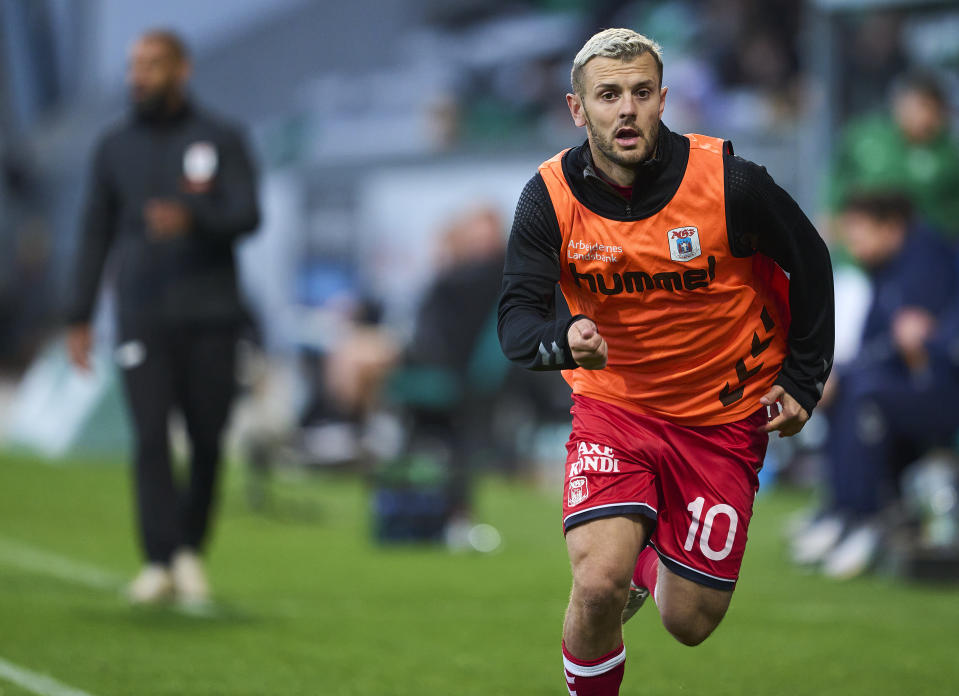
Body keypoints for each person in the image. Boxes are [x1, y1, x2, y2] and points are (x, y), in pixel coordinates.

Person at [497, 29, 833, 694]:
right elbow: (516, 322)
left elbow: (810, 261)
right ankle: (621, 575)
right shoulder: (549, 199)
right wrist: (563, 343)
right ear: (577, 108)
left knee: (690, 620)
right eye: (608, 95)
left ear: (662, 101)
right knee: (595, 584)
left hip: (722, 419)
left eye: (640, 93)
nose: (625, 108)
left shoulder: (729, 183)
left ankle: (649, 562)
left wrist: (801, 379)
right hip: (614, 408)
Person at [65, 30, 260, 605]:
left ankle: (189, 551)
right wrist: (78, 314)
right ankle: (158, 559)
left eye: (151, 64)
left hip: (212, 314)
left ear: (182, 69)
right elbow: (94, 232)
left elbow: (248, 215)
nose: (138, 75)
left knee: (206, 438)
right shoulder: (113, 147)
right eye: (133, 65)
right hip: (141, 313)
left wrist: (193, 217)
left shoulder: (222, 138)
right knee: (149, 436)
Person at [790, 191, 959, 579]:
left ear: (890, 227)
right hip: (906, 386)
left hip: (942, 392)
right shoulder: (888, 269)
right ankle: (841, 509)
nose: (853, 243)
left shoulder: (924, 262)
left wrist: (844, 373)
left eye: (860, 232)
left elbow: (915, 346)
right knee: (844, 391)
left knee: (865, 395)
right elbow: (879, 345)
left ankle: (864, 519)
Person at [825, 71, 959, 241]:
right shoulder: (866, 135)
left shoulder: (949, 155)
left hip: (923, 250)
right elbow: (838, 175)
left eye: (926, 106)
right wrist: (829, 212)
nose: (917, 114)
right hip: (857, 248)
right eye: (912, 104)